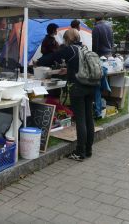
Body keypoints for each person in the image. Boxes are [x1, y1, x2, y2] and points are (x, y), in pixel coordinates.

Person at [36, 28, 95, 161]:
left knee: (80, 120)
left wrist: (37, 62)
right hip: (91, 86)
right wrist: (68, 70)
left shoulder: (70, 49)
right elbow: (81, 67)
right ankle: (88, 150)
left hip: (78, 88)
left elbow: (52, 57)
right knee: (88, 118)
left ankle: (80, 152)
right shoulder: (85, 48)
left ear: (67, 39)